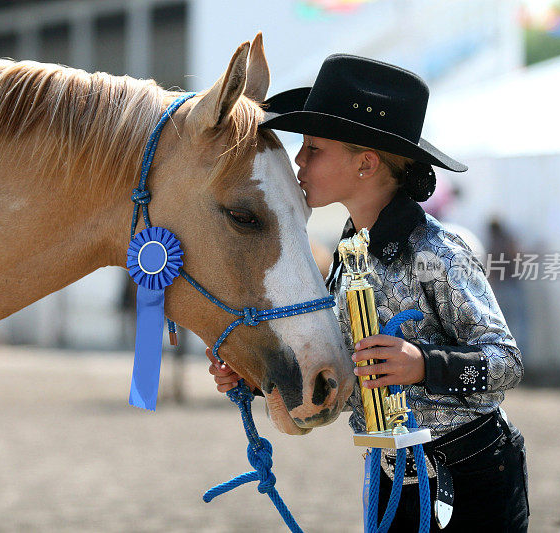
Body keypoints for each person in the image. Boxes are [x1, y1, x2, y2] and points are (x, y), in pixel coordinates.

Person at [206, 55, 528, 532]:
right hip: (390, 478)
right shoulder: (348, 255)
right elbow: (341, 369)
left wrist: (423, 364)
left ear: (366, 164)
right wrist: (255, 380)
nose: (299, 160)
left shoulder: (438, 252)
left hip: (474, 477)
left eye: (313, 148)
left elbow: (506, 363)